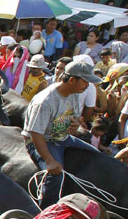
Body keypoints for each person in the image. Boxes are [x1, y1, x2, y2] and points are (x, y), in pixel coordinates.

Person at [23, 60, 102, 208]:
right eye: (85, 82)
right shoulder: (45, 101)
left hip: (62, 137)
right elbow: (35, 134)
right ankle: (45, 211)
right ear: (72, 80)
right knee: (56, 176)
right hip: (43, 141)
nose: (87, 86)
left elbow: (73, 116)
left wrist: (74, 124)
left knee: (97, 155)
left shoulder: (74, 93)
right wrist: (50, 161)